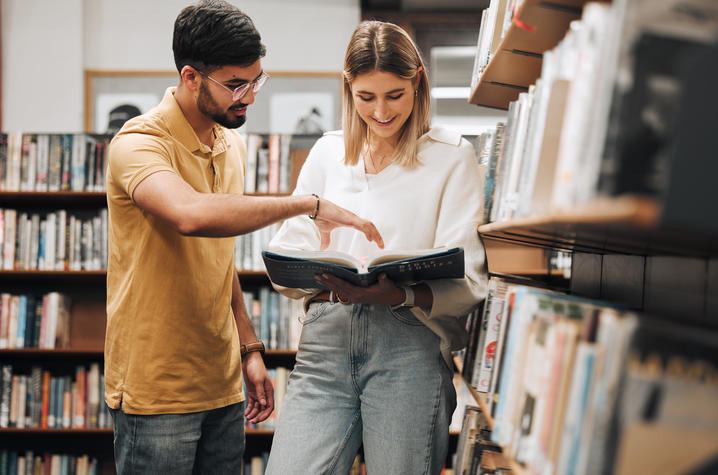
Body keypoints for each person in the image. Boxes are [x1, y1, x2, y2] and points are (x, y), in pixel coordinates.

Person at [104, 2, 383, 473]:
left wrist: (250, 349)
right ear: (191, 77)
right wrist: (306, 203)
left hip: (222, 381)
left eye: (256, 80)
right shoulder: (137, 144)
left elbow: (216, 259)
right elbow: (191, 215)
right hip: (156, 388)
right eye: (235, 84)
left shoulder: (228, 142)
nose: (249, 96)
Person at [265, 20, 488, 475]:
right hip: (325, 338)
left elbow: (470, 282)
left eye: (395, 95)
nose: (381, 111)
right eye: (366, 97)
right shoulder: (327, 153)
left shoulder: (453, 156)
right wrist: (313, 258)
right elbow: (286, 253)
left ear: (417, 84)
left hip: (408, 343)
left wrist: (399, 293)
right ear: (348, 89)